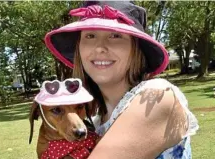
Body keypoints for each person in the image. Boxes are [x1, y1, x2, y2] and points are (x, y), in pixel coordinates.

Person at [44, 1, 199, 158]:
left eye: (115, 35)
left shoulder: (156, 98)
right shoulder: (94, 124)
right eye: (90, 36)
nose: (99, 47)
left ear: (136, 48)